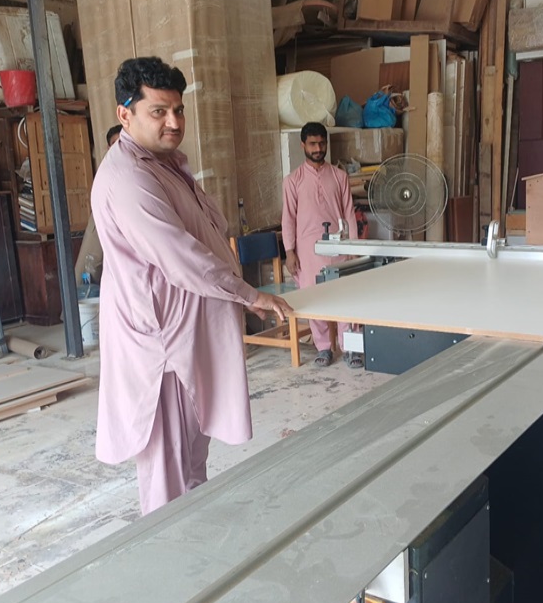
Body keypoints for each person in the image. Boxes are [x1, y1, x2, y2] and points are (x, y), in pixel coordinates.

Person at [91, 56, 293, 515]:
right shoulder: (129, 177)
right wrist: (250, 295)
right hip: (162, 352)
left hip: (186, 340)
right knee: (169, 478)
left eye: (178, 110)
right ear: (125, 114)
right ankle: (173, 555)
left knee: (191, 462)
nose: (174, 122)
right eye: (158, 111)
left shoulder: (165, 165)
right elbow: (182, 257)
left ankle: (195, 539)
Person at [281, 121, 361, 368]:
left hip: (339, 248)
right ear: (303, 145)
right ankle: (324, 348)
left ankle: (351, 349)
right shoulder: (292, 181)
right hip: (308, 252)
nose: (318, 149)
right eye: (313, 144)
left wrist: (354, 248)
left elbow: (349, 213)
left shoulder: (339, 176)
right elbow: (288, 218)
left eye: (322, 143)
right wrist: (289, 251)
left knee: (346, 298)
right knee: (314, 299)